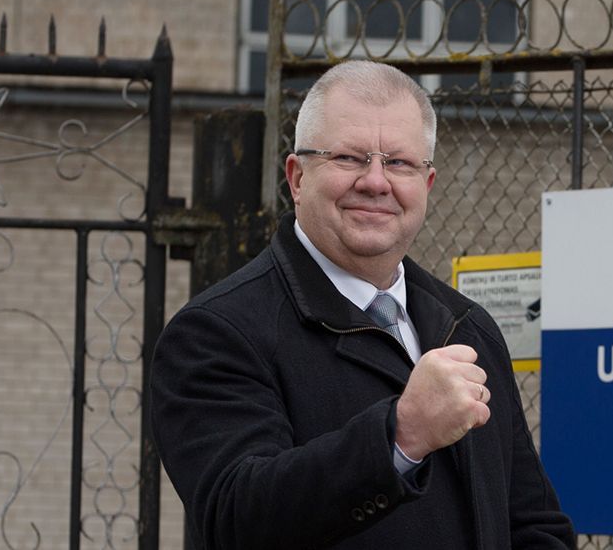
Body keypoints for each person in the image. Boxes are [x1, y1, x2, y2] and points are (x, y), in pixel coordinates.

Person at [150, 60, 575, 549]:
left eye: (399, 163)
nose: (376, 182)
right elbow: (237, 519)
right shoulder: (215, 333)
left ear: (426, 185)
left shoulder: (468, 327)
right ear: (297, 178)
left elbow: (533, 524)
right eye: (349, 158)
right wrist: (401, 436)